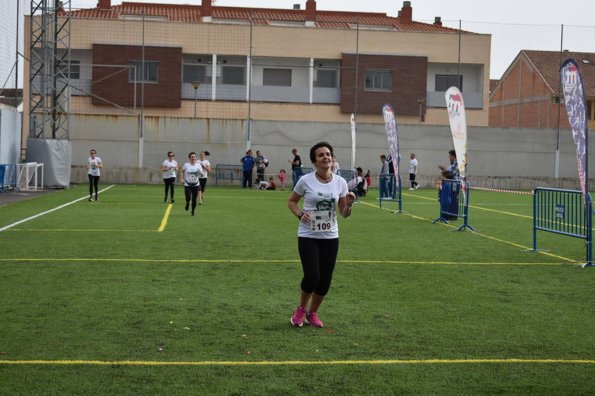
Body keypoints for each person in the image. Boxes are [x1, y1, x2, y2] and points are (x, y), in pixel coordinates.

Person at [287, 141, 356, 328]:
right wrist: (301, 214)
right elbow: (292, 202)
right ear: (315, 162)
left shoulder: (340, 182)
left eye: (328, 154)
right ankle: (301, 309)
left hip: (330, 237)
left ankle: (312, 313)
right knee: (312, 276)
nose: (326, 157)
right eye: (321, 155)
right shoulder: (305, 180)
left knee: (325, 279)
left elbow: (343, 213)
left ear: (332, 159)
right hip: (308, 235)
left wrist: (349, 204)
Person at [180, 152, 203, 216]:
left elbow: (202, 173)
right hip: (187, 184)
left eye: (194, 157)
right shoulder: (186, 165)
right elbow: (182, 171)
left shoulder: (198, 165)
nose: (193, 158)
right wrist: (181, 179)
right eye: (192, 157)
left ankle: (193, 211)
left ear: (195, 158)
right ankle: (187, 203)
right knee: (188, 198)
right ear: (189, 158)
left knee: (194, 199)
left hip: (195, 184)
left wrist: (201, 172)